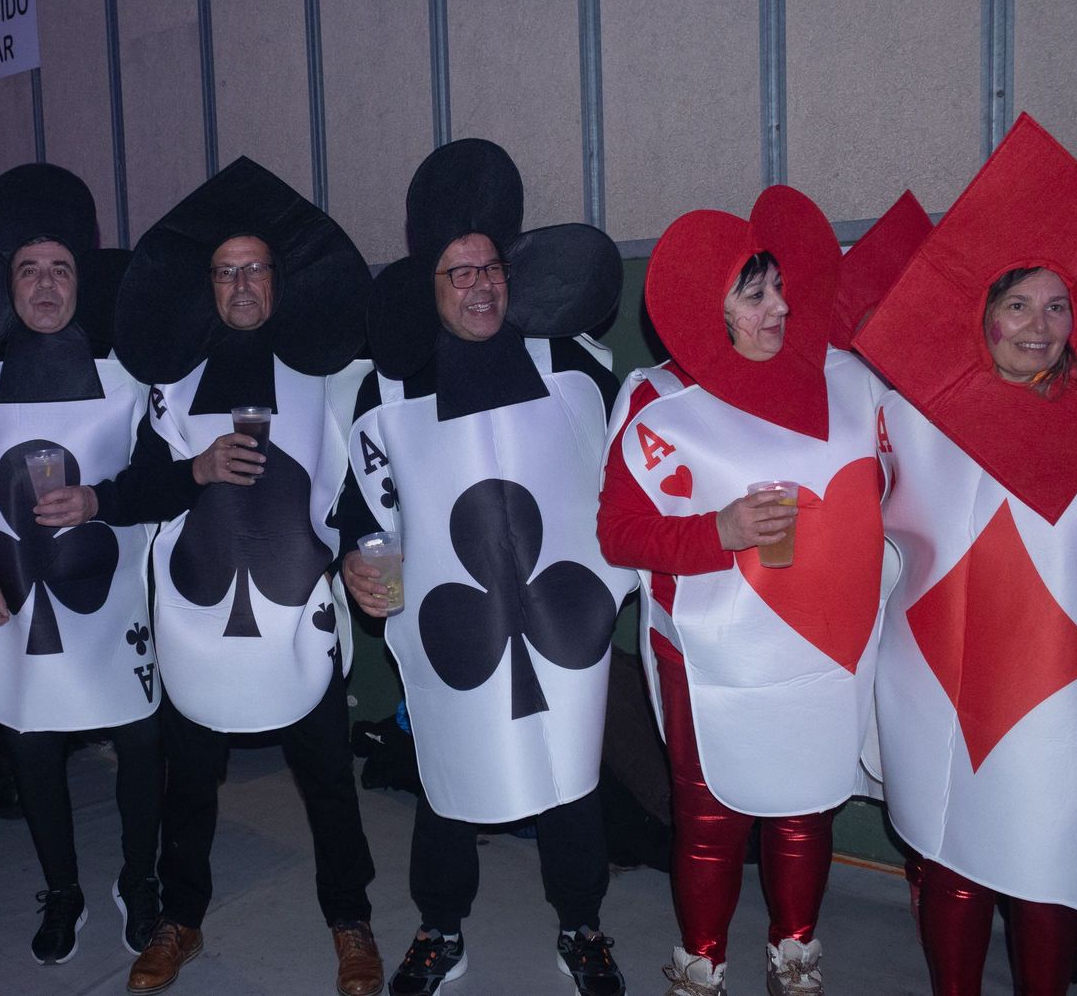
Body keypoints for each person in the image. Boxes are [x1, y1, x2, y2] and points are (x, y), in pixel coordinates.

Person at [856, 114, 1077, 996]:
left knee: (1047, 864)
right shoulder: (909, 417)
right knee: (952, 857)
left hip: (1074, 702)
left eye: (1058, 304)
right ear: (983, 315)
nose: (1039, 323)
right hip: (939, 684)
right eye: (1018, 303)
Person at [340, 139, 635, 996]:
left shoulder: (571, 367)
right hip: (454, 629)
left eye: (490, 268)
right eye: (457, 273)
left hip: (559, 623)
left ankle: (582, 928)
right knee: (447, 778)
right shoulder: (387, 395)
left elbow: (626, 477)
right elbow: (367, 510)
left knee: (572, 775)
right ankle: (441, 931)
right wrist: (362, 564)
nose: (480, 285)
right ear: (429, 289)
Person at [596, 185, 889, 996]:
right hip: (708, 657)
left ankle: (795, 951)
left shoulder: (848, 381)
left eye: (782, 288)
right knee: (710, 817)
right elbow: (619, 533)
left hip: (823, 651)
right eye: (753, 294)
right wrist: (714, 534)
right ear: (708, 308)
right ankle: (701, 963)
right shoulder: (658, 403)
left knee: (806, 805)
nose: (780, 307)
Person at [110, 158, 382, 996]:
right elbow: (133, 496)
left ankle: (351, 922)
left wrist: (362, 556)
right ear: (209, 285)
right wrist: (191, 470)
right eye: (225, 271)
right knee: (187, 789)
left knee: (331, 786)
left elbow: (358, 493)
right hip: (199, 633)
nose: (240, 284)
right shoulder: (169, 391)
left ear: (279, 280)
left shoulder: (329, 379)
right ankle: (178, 921)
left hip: (301, 625)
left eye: (254, 268)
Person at [0, 162, 163, 966]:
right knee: (28, 751)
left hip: (114, 599)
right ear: (9, 284)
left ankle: (141, 878)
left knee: (140, 744)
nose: (46, 285)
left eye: (61, 268)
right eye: (29, 270)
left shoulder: (125, 376)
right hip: (11, 603)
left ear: (79, 279)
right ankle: (62, 888)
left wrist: (100, 502)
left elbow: (164, 479)